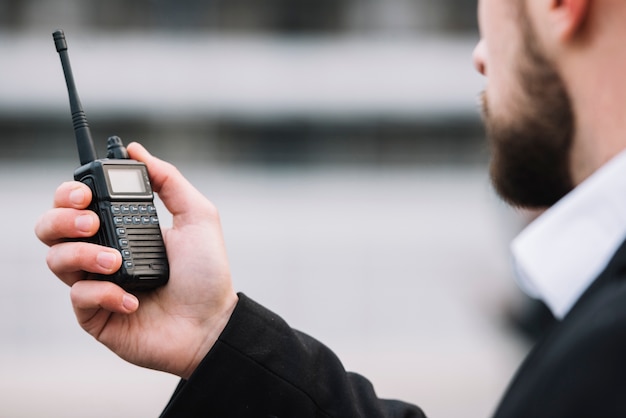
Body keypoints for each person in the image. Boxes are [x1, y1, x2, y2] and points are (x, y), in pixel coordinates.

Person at [34, 0, 626, 416]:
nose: (478, 56)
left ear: (559, 4)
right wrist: (214, 335)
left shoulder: (605, 349)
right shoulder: (595, 319)